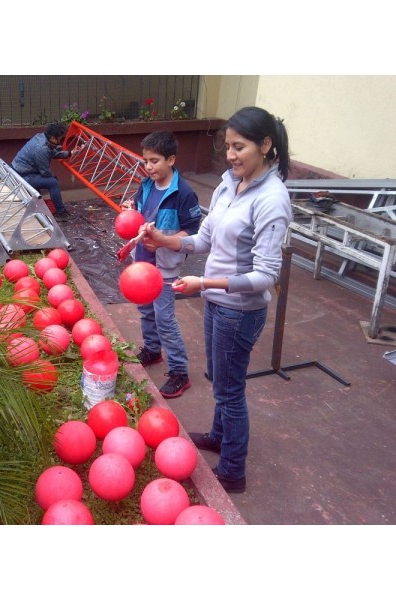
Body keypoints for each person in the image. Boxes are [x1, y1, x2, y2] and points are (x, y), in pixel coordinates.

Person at [143, 106, 292, 493]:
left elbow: (266, 276)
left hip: (238, 311)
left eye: (239, 147)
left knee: (229, 389)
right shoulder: (230, 184)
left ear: (265, 145)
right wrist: (165, 240)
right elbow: (204, 238)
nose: (230, 155)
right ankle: (218, 435)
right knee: (222, 380)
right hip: (215, 299)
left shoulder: (272, 199)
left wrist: (204, 282)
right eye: (227, 146)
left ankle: (232, 471)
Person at [122, 130, 202, 398]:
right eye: (146, 161)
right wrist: (130, 209)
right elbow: (139, 210)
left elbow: (192, 232)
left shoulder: (184, 193)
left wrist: (165, 242)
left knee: (165, 318)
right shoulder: (145, 185)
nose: (148, 167)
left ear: (171, 159)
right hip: (142, 261)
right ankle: (152, 350)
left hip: (165, 267)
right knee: (146, 310)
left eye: (154, 161)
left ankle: (180, 372)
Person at [12, 122, 75, 222]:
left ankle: (37, 207)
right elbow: (44, 171)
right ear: (54, 138)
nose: (61, 141)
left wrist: (69, 153)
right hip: (22, 176)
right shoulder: (41, 148)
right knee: (53, 182)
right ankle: (61, 213)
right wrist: (53, 177)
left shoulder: (41, 137)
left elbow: (51, 153)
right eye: (61, 138)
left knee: (49, 180)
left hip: (22, 171)